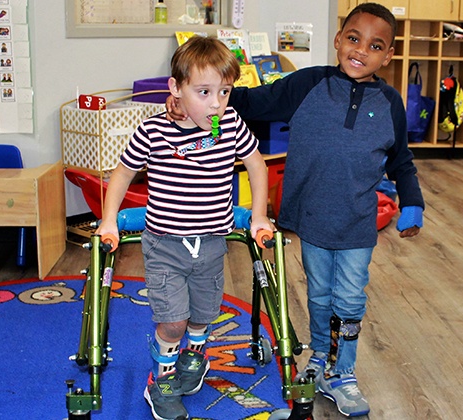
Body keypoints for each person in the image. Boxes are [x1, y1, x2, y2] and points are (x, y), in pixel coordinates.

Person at [166, 3, 425, 417]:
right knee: (320, 295)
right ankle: (320, 359)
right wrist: (200, 98)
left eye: (375, 46)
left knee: (350, 297)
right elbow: (252, 102)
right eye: (354, 38)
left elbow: (401, 160)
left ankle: (344, 372)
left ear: (388, 55)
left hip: (358, 221)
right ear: (338, 40)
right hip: (311, 217)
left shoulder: (390, 102)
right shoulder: (309, 84)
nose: (361, 50)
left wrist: (412, 201)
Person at [96, 36, 273, 420]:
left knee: (204, 315)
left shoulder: (230, 125)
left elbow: (257, 166)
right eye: (204, 91)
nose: (216, 103)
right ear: (176, 88)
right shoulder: (153, 131)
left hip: (211, 243)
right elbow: (123, 173)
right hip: (165, 245)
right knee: (172, 322)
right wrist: (109, 219)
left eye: (224, 92)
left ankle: (195, 358)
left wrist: (258, 214)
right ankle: (159, 380)